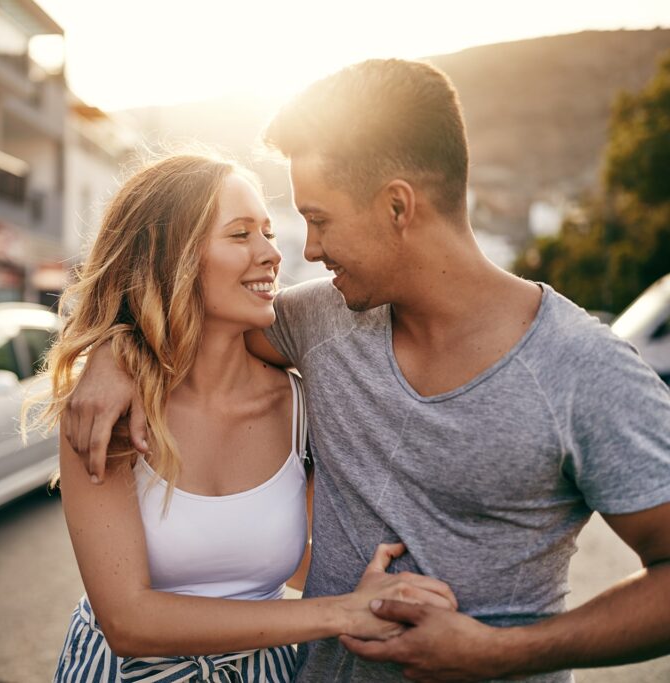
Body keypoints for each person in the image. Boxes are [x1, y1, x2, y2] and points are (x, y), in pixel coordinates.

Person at [62, 60, 670, 682]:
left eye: (319, 220)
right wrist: (110, 353)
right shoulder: (321, 320)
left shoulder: (582, 370)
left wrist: (501, 653)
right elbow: (179, 313)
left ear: (397, 207)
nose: (308, 249)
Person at [25, 153, 458, 682]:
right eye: (240, 235)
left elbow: (280, 558)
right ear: (171, 257)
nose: (272, 254)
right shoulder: (105, 412)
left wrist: (367, 589)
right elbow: (128, 621)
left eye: (269, 232)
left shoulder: (299, 406)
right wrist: (340, 613)